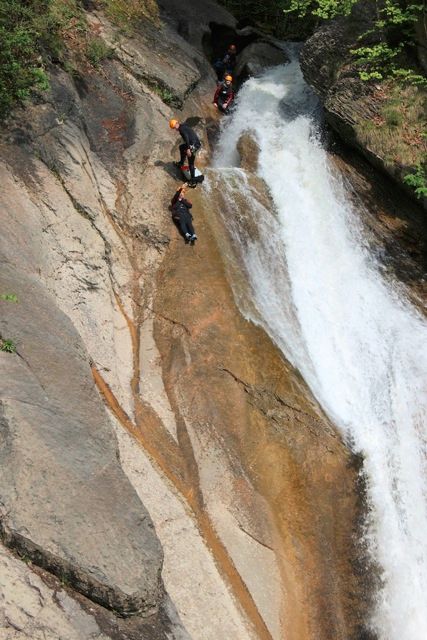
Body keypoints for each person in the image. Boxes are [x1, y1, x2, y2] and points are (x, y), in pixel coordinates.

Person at [169, 119, 201, 187]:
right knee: (181, 147)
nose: (175, 128)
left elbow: (186, 138)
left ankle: (193, 181)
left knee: (191, 163)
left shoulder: (181, 130)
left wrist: (188, 149)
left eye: (175, 127)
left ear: (177, 123)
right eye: (174, 128)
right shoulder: (182, 125)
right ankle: (181, 163)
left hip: (194, 145)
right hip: (194, 143)